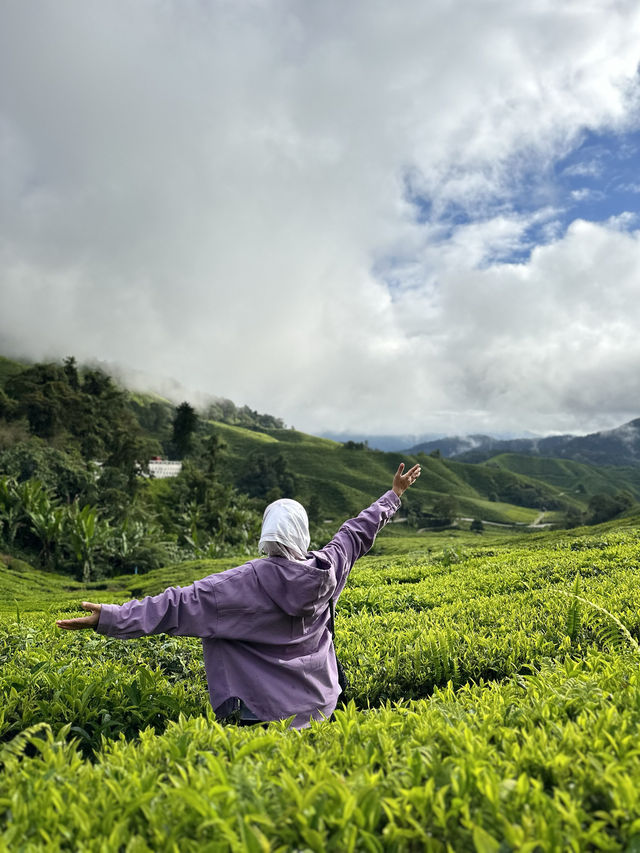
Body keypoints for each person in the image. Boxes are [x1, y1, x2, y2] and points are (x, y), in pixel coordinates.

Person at [56, 462, 421, 727]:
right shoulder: (330, 566)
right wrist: (394, 494)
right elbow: (356, 532)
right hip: (322, 705)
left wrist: (110, 617)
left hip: (263, 716)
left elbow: (174, 605)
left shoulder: (234, 585)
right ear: (303, 533)